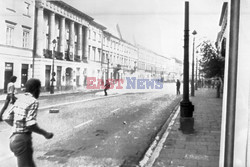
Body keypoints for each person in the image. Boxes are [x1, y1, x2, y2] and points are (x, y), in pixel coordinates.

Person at [4, 78, 54, 167]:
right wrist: (45, 133)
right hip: (23, 141)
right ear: (35, 89)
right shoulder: (33, 101)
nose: (40, 91)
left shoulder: (20, 98)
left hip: (13, 139)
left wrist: (17, 125)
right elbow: (30, 124)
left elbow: (7, 117)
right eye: (39, 89)